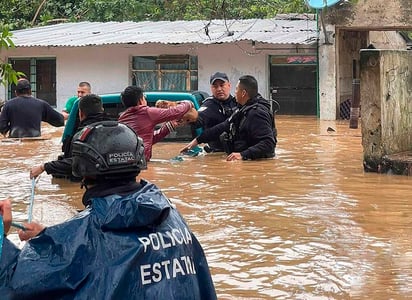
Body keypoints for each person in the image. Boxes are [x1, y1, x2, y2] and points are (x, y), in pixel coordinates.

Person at [0, 121, 217, 299]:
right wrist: (52, 238)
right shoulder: (172, 216)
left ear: (83, 173)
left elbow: (12, 288)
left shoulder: (81, 234)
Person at [180, 75, 276, 161]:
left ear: (243, 93)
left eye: (236, 89)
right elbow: (224, 126)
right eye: (215, 86)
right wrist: (197, 141)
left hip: (256, 165)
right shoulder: (242, 109)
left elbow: (269, 143)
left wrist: (242, 155)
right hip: (245, 160)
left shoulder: (256, 113)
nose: (235, 92)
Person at [30, 94, 111, 181]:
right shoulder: (120, 129)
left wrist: (43, 167)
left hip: (94, 186)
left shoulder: (82, 136)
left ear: (80, 113)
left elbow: (76, 163)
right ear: (102, 110)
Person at [118, 85, 198, 161]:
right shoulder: (147, 112)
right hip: (141, 162)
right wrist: (188, 103)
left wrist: (168, 127)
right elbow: (175, 112)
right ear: (140, 101)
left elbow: (144, 141)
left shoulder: (122, 118)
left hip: (126, 163)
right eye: (144, 98)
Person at [190, 72, 238, 153]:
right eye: (215, 86)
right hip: (216, 153)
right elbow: (199, 118)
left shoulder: (237, 102)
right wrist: (191, 117)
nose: (219, 89)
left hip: (236, 152)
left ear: (229, 85)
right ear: (211, 88)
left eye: (222, 85)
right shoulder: (209, 105)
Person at [0, 79, 64, 138]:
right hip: (35, 140)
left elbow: (2, 128)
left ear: (16, 92)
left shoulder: (8, 105)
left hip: (15, 142)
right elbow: (60, 121)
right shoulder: (41, 104)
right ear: (30, 91)